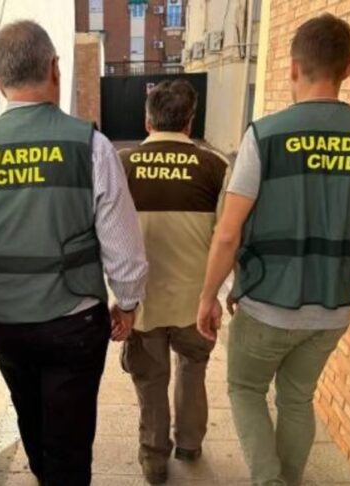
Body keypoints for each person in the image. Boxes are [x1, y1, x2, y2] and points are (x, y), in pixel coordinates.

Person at [196, 13, 350, 486]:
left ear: (293, 68)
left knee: (245, 389)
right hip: (331, 311)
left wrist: (208, 296)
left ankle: (269, 481)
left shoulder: (264, 136)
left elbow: (228, 233)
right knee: (297, 398)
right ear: (348, 67)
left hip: (266, 305)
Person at [0, 20, 148, 486]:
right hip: (73, 321)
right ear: (55, 69)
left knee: (31, 418)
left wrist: (2, 291)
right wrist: (128, 303)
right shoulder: (90, 146)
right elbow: (123, 247)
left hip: (3, 321)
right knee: (70, 440)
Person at [118, 80, 228, 484]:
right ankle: (190, 444)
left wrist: (119, 297)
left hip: (143, 302)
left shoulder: (123, 165)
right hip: (196, 303)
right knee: (192, 370)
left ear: (147, 121)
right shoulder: (215, 167)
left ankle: (154, 459)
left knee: (150, 381)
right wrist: (217, 294)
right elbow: (227, 237)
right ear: (189, 122)